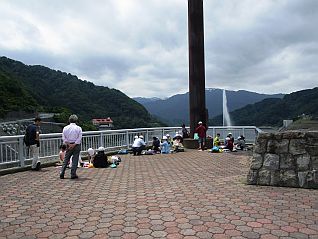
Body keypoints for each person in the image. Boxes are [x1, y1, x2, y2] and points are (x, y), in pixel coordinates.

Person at [60, 114, 82, 179]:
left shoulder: (65, 128)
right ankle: (73, 174)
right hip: (76, 145)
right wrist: (74, 144)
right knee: (75, 160)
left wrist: (69, 144)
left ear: (69, 120)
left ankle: (62, 173)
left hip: (68, 145)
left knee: (66, 159)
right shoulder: (78, 128)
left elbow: (64, 138)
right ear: (76, 120)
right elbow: (79, 138)